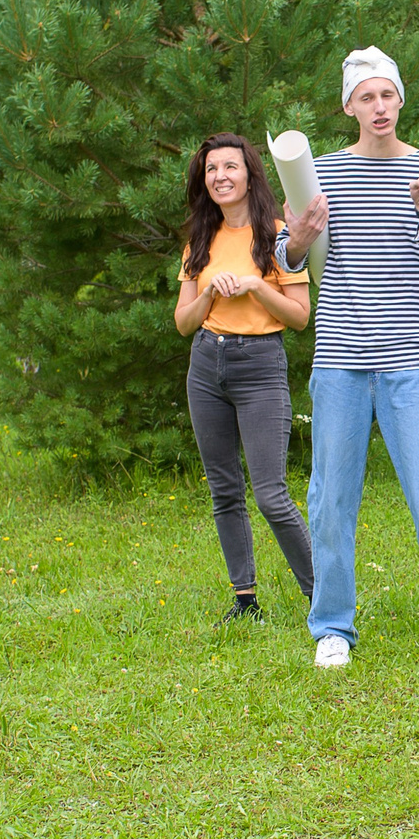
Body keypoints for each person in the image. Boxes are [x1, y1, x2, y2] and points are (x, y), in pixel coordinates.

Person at [277, 46, 419, 673]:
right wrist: (298, 238)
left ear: (401, 100)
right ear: (348, 106)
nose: (379, 106)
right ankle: (332, 629)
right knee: (329, 499)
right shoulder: (318, 174)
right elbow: (287, 262)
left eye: (388, 95)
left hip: (412, 362)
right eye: (366, 97)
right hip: (340, 362)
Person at [175, 134, 314, 622]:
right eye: (212, 170)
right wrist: (210, 294)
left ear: (250, 174)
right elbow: (183, 322)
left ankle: (323, 594)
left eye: (230, 167)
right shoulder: (199, 240)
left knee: (271, 494)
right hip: (206, 365)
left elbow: (300, 316)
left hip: (259, 365)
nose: (220, 177)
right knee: (224, 490)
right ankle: (244, 599)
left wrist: (256, 285)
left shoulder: (277, 234)